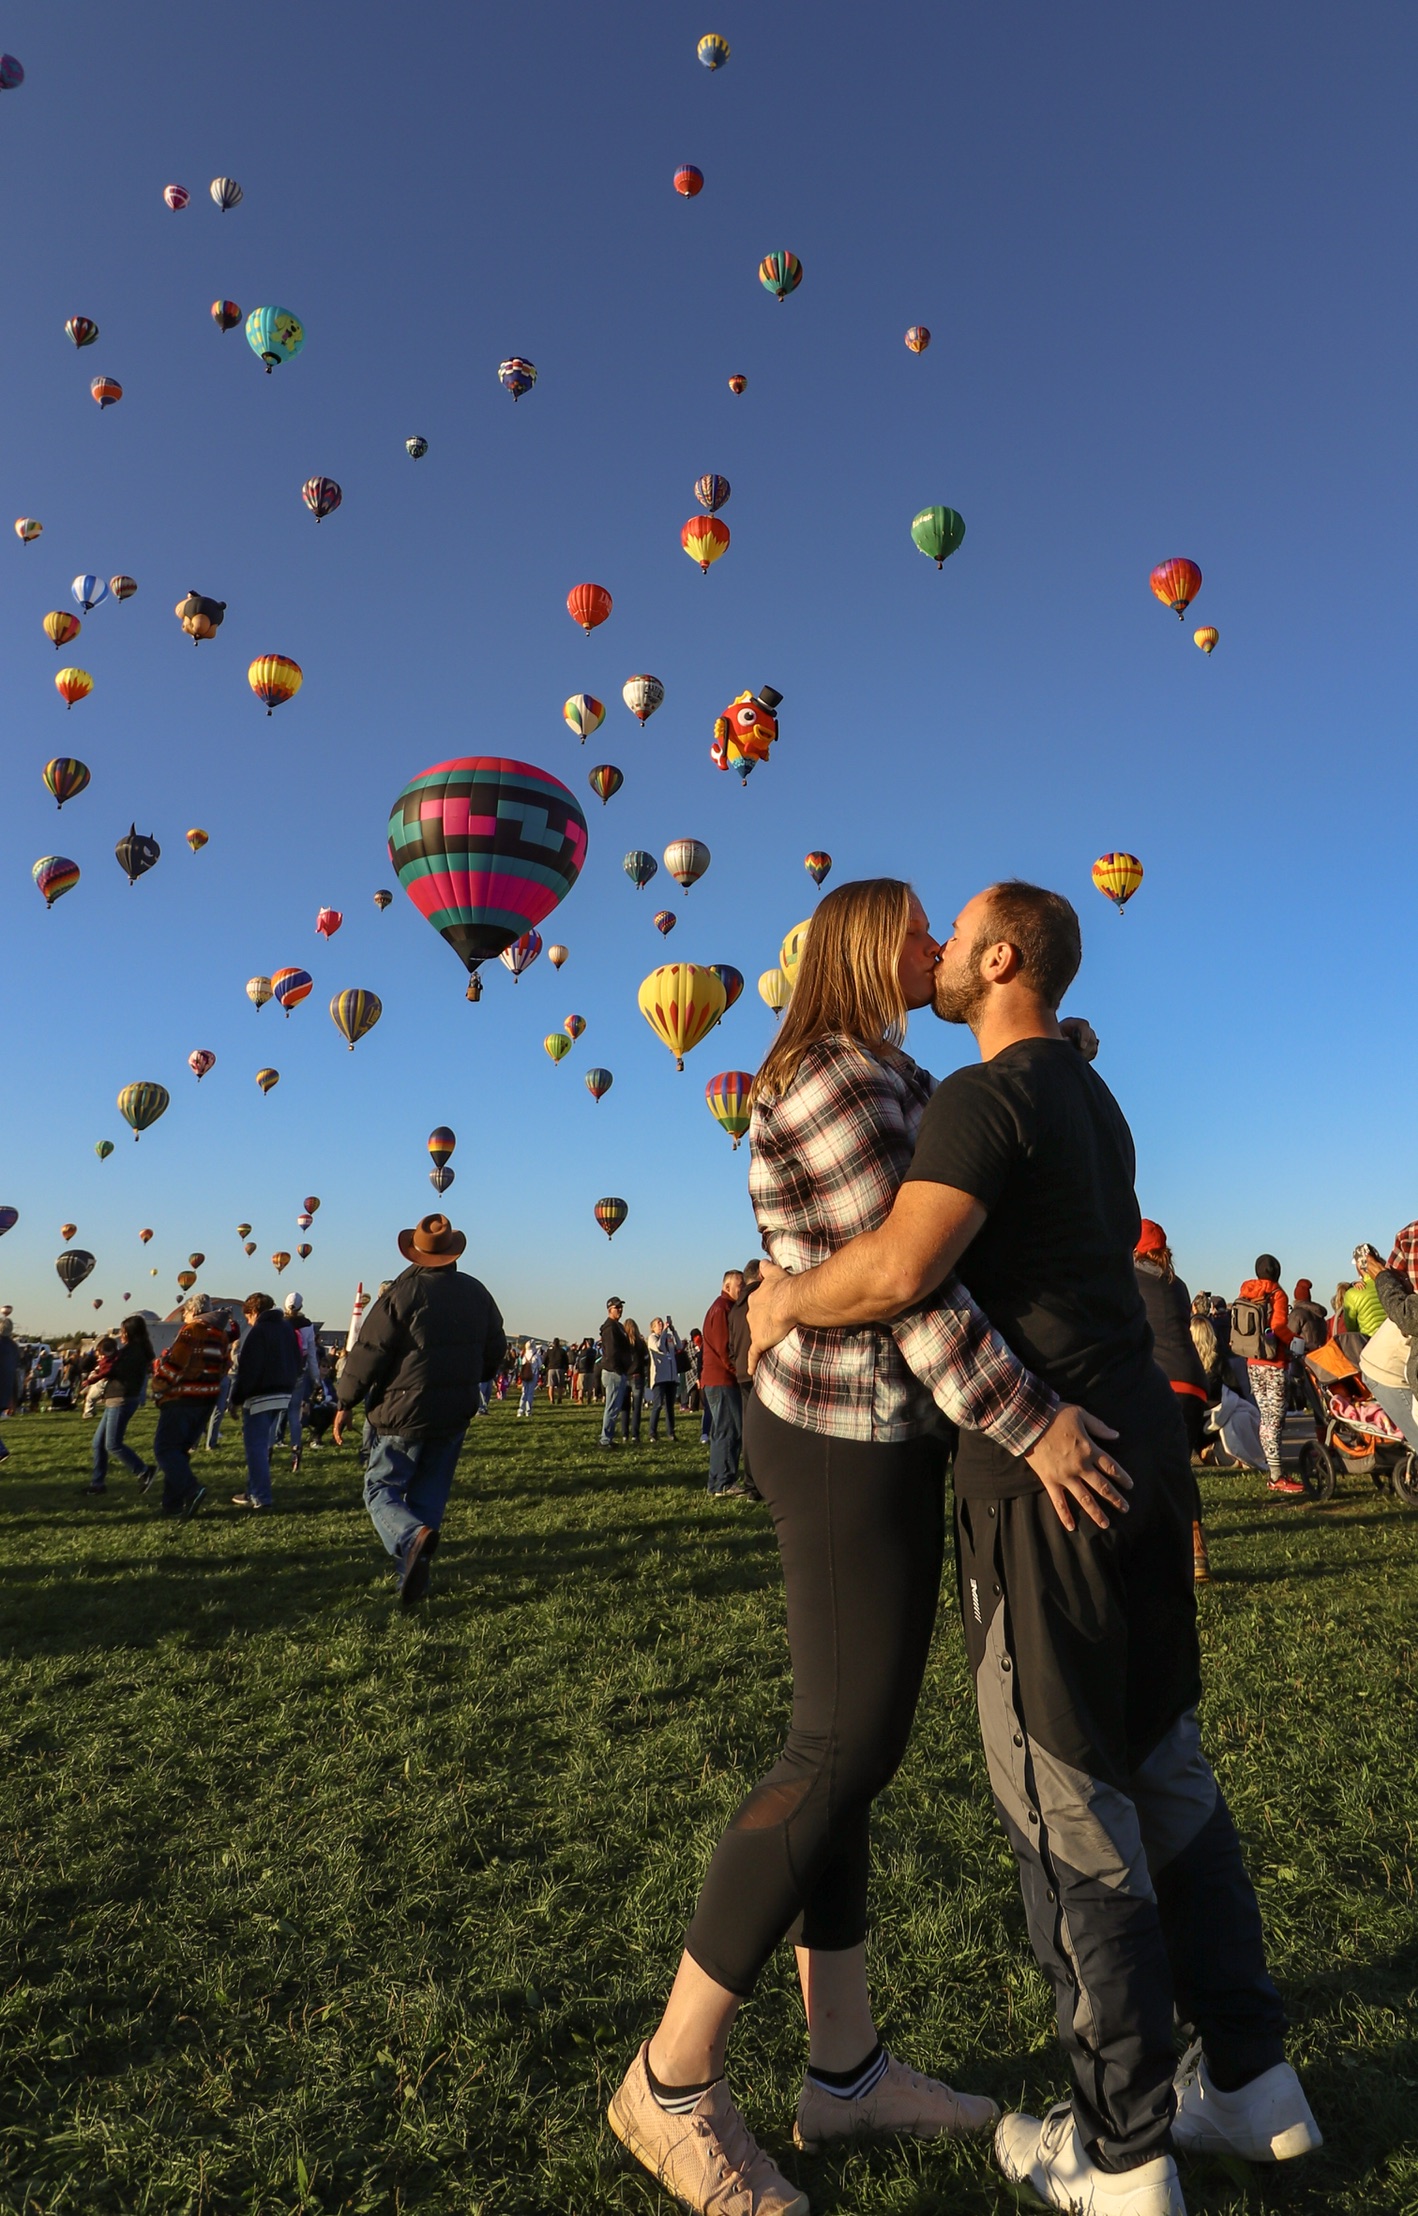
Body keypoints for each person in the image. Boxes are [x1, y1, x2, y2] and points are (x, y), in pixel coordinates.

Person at [749, 880, 1318, 2216]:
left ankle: (1117, 2147)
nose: (936, 952)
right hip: (1144, 1466)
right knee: (1167, 1771)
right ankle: (1249, 2076)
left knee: (1066, 1806)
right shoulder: (1089, 1095)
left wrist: (777, 1296)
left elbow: (897, 1272)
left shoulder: (976, 1096)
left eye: (954, 931)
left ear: (1000, 955)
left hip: (1040, 1481)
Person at [610, 880, 1135, 2216]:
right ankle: (669, 2083)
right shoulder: (834, 1083)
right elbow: (909, 1295)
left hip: (888, 1438)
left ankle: (839, 2069)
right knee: (835, 1748)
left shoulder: (889, 1073)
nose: (936, 952)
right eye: (914, 933)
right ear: (863, 947)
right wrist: (1034, 1427)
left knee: (856, 1750)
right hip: (840, 1440)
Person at [333, 1214, 505, 1608]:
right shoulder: (477, 1293)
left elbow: (369, 1353)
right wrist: (469, 1377)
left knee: (381, 1488)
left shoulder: (401, 1294)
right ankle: (411, 1576)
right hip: (453, 1413)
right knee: (430, 1494)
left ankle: (410, 1540)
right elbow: (495, 1351)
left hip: (401, 1410)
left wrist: (344, 1400)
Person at [1133, 1222, 1211, 1581]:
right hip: (1194, 1381)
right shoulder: (1176, 1285)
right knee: (1179, 1466)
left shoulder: (1128, 1277)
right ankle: (1195, 1550)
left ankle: (1152, 1549)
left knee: (1143, 1464)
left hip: (1161, 1380)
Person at [151, 1293, 232, 1518]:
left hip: (182, 1398)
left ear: (194, 1312)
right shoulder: (221, 1335)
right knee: (179, 1451)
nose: (184, 1318)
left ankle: (191, 1489)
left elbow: (176, 1363)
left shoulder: (190, 1331)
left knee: (164, 1449)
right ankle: (172, 1504)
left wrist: (158, 1384)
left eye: (185, 1313)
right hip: (206, 1400)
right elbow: (226, 1365)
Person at [1232, 1257, 1302, 1496]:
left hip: (1252, 1362)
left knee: (1266, 1416)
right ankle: (1276, 1475)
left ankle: (1273, 1468)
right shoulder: (1277, 1294)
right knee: (1275, 1418)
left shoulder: (1247, 1292)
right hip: (1274, 1362)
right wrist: (1297, 1342)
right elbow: (1279, 1326)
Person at [230, 1294, 302, 1511]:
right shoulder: (287, 1329)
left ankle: (261, 1496)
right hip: (283, 1393)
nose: (249, 1322)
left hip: (260, 1395)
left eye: (248, 1318)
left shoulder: (258, 1331)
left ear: (253, 1312)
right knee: (261, 1444)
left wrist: (236, 1399)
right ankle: (252, 1491)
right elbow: (298, 1359)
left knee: (256, 1448)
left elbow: (249, 1370)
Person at [1355, 1226, 1418, 1450]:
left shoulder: (1356, 1293)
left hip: (1381, 1346)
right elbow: (1408, 1317)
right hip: (1390, 1364)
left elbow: (1351, 1326)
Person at [86, 1316, 157, 1495]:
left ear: (130, 1333)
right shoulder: (132, 1350)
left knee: (113, 1444)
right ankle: (97, 1483)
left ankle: (143, 1471)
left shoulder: (134, 1352)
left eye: (123, 1331)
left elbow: (117, 1371)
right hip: (115, 1399)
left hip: (122, 1399)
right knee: (98, 1443)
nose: (121, 1334)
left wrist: (99, 1372)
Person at [699, 1271, 744, 1495]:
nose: (742, 1288)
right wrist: (739, 1371)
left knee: (721, 1432)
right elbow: (724, 1348)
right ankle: (724, 1482)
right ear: (727, 1286)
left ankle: (717, 1482)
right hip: (722, 1381)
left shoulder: (722, 1308)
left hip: (718, 1380)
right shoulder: (722, 1309)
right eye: (739, 1284)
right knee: (729, 1430)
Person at [281, 1292, 321, 1470]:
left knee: (275, 1412)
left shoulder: (280, 1324)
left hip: (281, 1372)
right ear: (301, 1307)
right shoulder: (307, 1325)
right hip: (299, 1372)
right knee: (294, 1414)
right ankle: (296, 1448)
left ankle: (267, 1449)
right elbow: (311, 1354)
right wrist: (316, 1378)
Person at [599, 1297, 632, 1449]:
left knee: (615, 1407)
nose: (619, 1309)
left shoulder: (617, 1326)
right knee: (611, 1407)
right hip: (613, 1372)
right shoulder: (610, 1328)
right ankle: (605, 1439)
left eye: (620, 1307)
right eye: (616, 1307)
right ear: (609, 1310)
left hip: (618, 1371)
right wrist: (619, 1368)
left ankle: (608, 1437)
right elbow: (612, 1352)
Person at [645, 1318, 680, 1440]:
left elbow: (679, 1347)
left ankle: (671, 1432)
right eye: (657, 1323)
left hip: (671, 1377)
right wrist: (664, 1332)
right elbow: (659, 1347)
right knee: (658, 1404)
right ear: (653, 1328)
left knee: (670, 1406)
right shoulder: (652, 1338)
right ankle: (652, 1432)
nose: (661, 1324)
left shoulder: (669, 1337)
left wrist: (674, 1331)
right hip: (659, 1377)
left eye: (661, 1322)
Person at [0, 1318, 21, 1465]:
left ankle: (1, 1450)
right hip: (6, 1392)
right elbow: (15, 1373)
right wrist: (14, 1398)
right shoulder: (14, 1347)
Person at [517, 1340, 541, 1417]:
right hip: (533, 1375)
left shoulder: (524, 1355)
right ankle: (528, 1411)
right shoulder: (536, 1355)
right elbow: (540, 1365)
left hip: (524, 1375)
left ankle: (520, 1410)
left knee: (524, 1393)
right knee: (530, 1393)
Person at [545, 1337, 569, 1405]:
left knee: (551, 1385)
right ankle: (559, 1399)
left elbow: (545, 1360)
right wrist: (566, 1369)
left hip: (551, 1368)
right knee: (560, 1386)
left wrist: (546, 1367)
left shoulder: (549, 1351)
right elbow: (566, 1361)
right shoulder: (562, 1351)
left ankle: (552, 1400)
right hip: (560, 1369)